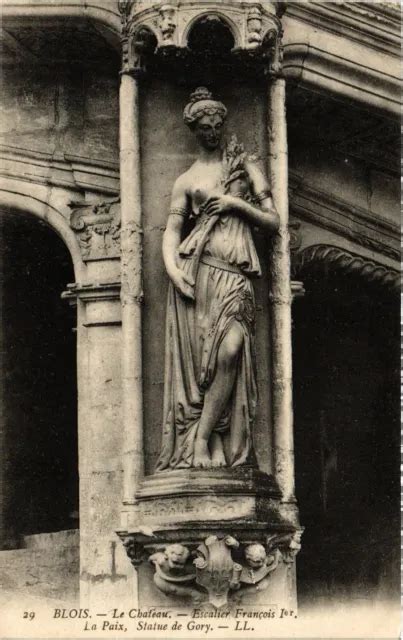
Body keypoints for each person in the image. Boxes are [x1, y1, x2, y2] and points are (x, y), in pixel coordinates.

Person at [155, 87, 279, 471]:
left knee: (230, 352)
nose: (213, 132)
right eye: (205, 128)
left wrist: (234, 204)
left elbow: (274, 221)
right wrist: (174, 270)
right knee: (204, 368)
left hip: (236, 279)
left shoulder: (246, 166)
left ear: (223, 124)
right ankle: (205, 444)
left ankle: (205, 437)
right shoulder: (187, 179)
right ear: (195, 130)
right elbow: (172, 232)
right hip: (201, 275)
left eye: (217, 126)